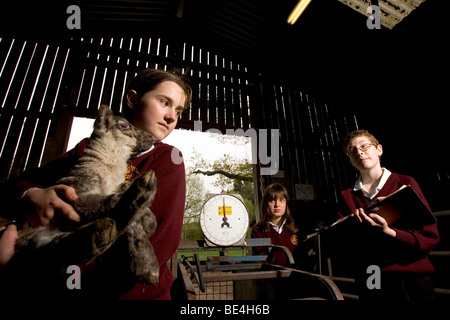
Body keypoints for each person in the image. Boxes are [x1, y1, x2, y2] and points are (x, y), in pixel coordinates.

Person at [0, 68, 192, 300]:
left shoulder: (167, 160)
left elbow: (158, 245)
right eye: (164, 102)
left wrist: (40, 267)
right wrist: (30, 196)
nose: (172, 116)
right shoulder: (87, 148)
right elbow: (10, 189)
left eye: (178, 110)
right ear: (132, 99)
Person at [336, 129, 439, 300]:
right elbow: (342, 244)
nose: (359, 152)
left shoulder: (404, 184)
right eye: (352, 150)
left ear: (379, 150)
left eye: (364, 146)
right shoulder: (346, 196)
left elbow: (429, 235)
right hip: (370, 275)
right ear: (350, 160)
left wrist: (389, 232)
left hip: (409, 274)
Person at [251, 183, 310, 269]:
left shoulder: (296, 230)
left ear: (286, 204)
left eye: (281, 200)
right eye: (272, 200)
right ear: (265, 204)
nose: (277, 205)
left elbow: (304, 262)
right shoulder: (257, 231)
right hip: (269, 279)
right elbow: (258, 263)